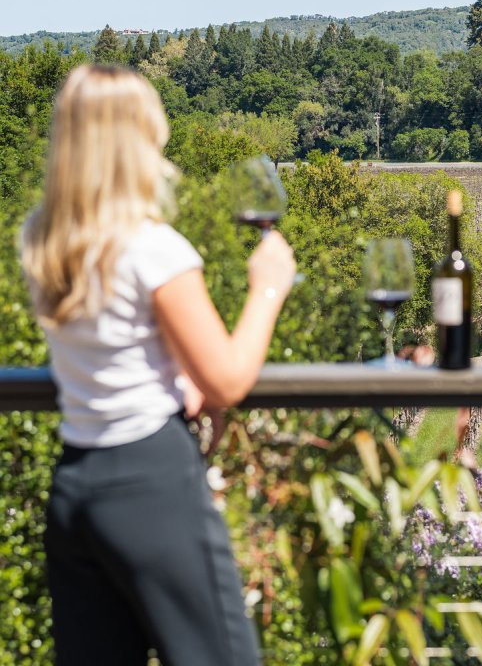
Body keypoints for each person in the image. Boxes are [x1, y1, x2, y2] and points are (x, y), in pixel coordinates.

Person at [21, 63, 296, 666]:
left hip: (74, 487)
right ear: (135, 146)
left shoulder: (42, 240)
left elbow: (115, 349)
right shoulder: (154, 249)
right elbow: (225, 379)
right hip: (152, 483)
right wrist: (268, 287)